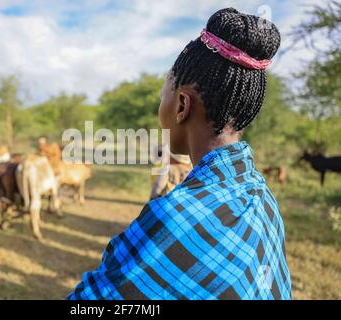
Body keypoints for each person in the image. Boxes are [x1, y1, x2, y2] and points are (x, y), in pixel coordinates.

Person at [68, 7, 292, 300]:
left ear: (182, 105)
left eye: (164, 95)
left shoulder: (174, 219)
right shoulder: (262, 197)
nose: (160, 106)